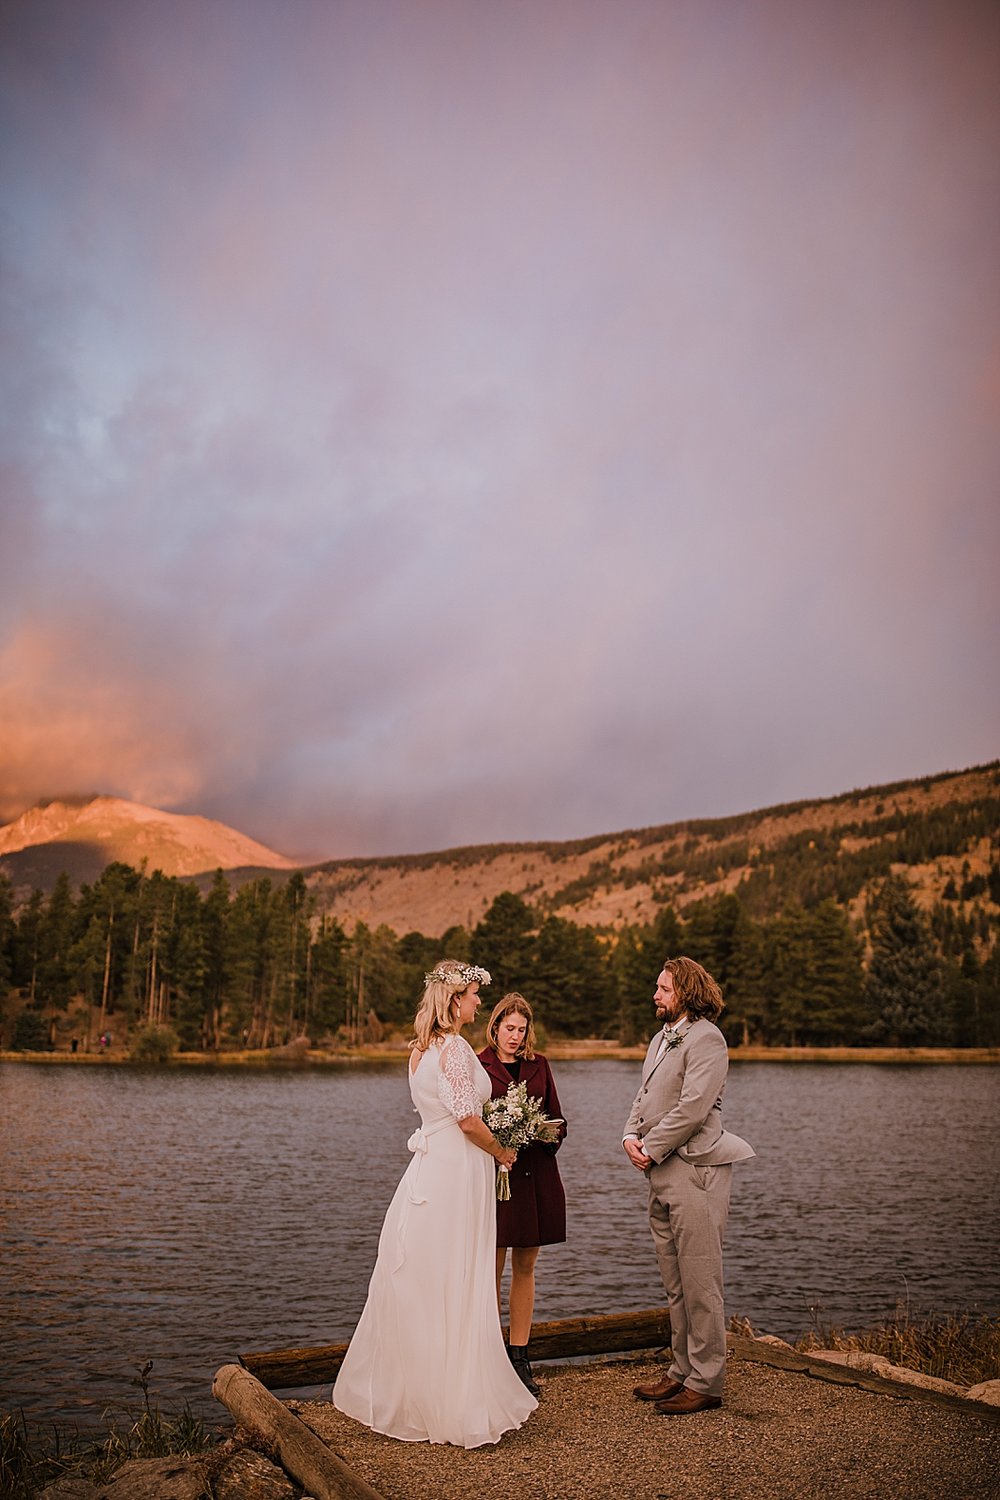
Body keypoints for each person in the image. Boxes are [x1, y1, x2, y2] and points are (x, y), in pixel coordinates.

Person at [333, 961, 537, 1447]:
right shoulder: (455, 1049)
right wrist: (504, 1150)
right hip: (457, 1171)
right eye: (471, 995)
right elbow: (467, 1120)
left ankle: (418, 1392)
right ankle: (455, 1398)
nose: (477, 1003)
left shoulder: (417, 1051)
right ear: (453, 1001)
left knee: (429, 1276)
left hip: (429, 1170)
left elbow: (441, 1113)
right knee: (457, 1275)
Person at [623, 956, 754, 1415]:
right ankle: (681, 1371)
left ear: (685, 991)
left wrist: (650, 1146)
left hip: (696, 1168)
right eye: (656, 987)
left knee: (701, 1280)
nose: (655, 995)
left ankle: (707, 1380)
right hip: (659, 1171)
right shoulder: (661, 1038)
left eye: (662, 988)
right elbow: (644, 1097)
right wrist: (628, 1135)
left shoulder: (708, 1039)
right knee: (675, 1281)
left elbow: (694, 1107)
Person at [479, 993, 567, 1398]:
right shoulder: (478, 1066)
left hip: (535, 1176)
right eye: (509, 1028)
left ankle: (520, 1357)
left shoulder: (540, 1065)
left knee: (526, 1266)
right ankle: (486, 1357)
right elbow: (470, 1123)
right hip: (496, 1179)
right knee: (490, 1271)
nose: (515, 1036)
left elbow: (558, 1118)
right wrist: (501, 1138)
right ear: (495, 1027)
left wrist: (545, 1131)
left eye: (522, 1029)